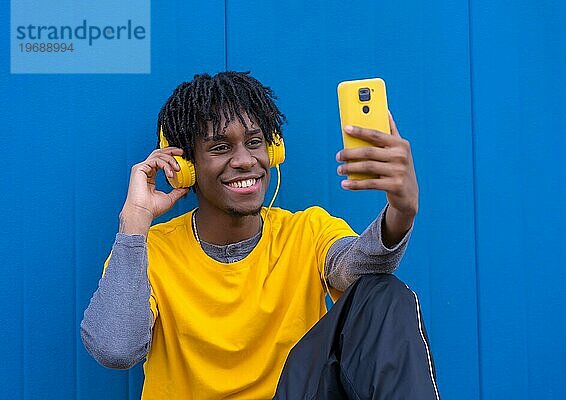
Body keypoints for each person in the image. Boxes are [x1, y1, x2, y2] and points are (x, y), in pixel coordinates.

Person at [81, 71, 439, 399]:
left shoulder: (307, 231)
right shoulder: (150, 250)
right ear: (184, 167)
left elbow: (357, 268)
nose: (245, 160)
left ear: (273, 150)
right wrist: (134, 221)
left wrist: (401, 210)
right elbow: (116, 349)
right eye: (220, 148)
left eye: (254, 142)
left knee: (382, 291)